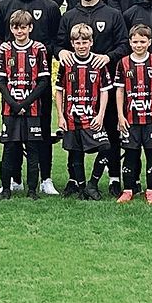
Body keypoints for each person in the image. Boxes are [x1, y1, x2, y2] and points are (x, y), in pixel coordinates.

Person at [0, 10, 54, 198]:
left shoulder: (39, 50)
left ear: (30, 27)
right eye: (15, 27)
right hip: (10, 109)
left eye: (23, 27)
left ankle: (32, 190)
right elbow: (1, 81)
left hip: (32, 110)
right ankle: (6, 189)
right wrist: (13, 104)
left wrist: (26, 103)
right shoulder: (5, 50)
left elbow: (44, 82)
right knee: (9, 150)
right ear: (11, 29)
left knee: (33, 150)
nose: (19, 31)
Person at [60, 22, 114, 199]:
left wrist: (101, 115)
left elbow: (105, 90)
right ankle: (82, 188)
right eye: (77, 43)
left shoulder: (98, 63)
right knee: (76, 153)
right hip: (71, 117)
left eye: (85, 42)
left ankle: (93, 183)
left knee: (106, 147)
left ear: (91, 42)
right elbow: (59, 90)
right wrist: (60, 116)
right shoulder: (66, 63)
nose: (81, 46)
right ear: (72, 43)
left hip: (92, 118)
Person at [115, 25, 152, 203]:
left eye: (142, 41)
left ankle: (151, 190)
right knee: (130, 154)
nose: (139, 45)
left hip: (151, 117)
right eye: (135, 41)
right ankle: (128, 189)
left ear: (149, 42)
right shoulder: (123, 63)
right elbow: (120, 91)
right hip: (130, 119)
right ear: (130, 42)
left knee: (151, 154)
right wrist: (120, 116)